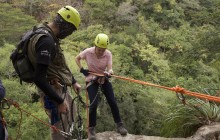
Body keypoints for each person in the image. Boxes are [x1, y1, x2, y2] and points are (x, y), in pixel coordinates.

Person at [27, 6, 81, 140]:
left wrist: (73, 81)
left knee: (69, 118)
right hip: (52, 90)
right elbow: (39, 78)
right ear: (65, 25)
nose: (70, 34)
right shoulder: (46, 41)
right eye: (71, 30)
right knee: (59, 128)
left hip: (57, 86)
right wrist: (59, 101)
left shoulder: (46, 33)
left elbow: (58, 63)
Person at [75, 33, 128, 140]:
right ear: (95, 45)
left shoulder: (108, 54)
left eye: (103, 50)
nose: (101, 52)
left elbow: (110, 68)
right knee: (93, 104)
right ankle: (91, 129)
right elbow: (77, 58)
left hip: (103, 79)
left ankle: (119, 124)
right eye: (99, 49)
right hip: (91, 80)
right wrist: (82, 69)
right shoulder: (88, 52)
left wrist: (110, 72)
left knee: (112, 101)